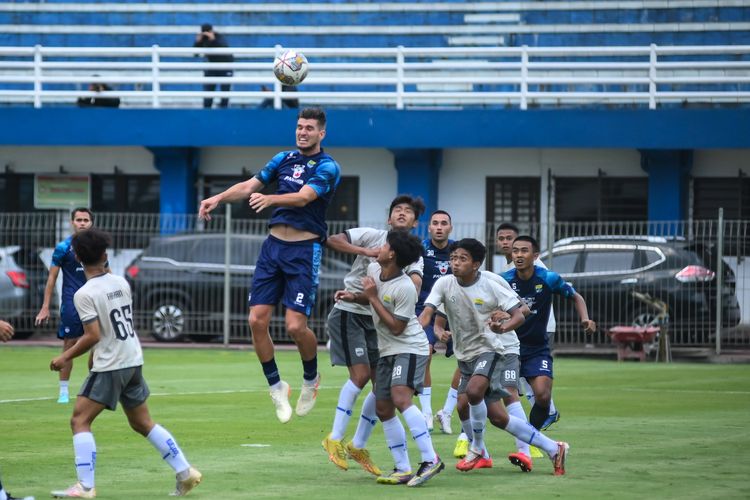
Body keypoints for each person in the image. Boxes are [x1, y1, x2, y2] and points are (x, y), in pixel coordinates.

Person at [198, 108, 340, 424]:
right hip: (272, 248)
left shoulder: (328, 166)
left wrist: (272, 199)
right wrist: (218, 198)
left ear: (322, 134)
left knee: (294, 327)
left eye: (310, 128)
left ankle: (311, 379)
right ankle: (276, 386)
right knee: (256, 320)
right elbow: (250, 186)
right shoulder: (283, 158)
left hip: (304, 250)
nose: (303, 132)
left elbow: (304, 197)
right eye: (300, 127)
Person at [49, 228, 201, 498]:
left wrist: (65, 356)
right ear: (105, 255)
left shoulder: (84, 294)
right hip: (132, 360)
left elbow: (93, 334)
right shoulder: (121, 282)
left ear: (77, 258)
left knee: (79, 420)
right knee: (143, 422)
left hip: (112, 365)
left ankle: (85, 486)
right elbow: (111, 327)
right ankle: (185, 471)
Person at [419, 238, 570, 476]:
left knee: (476, 392)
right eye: (453, 258)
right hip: (466, 353)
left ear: (476, 264)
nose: (455, 263)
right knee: (495, 416)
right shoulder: (444, 283)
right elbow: (430, 313)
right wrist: (434, 331)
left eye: (462, 259)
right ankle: (554, 448)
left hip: (493, 348)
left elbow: (520, 314)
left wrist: (504, 327)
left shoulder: (492, 283)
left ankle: (478, 449)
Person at [321, 195, 424, 476]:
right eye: (397, 210)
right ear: (389, 218)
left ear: (415, 222)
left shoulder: (412, 253)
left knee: (382, 389)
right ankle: (333, 437)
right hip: (350, 311)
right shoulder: (371, 236)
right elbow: (332, 240)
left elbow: (413, 284)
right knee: (361, 375)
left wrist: (394, 276)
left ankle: (358, 445)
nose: (402, 213)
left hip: (378, 321)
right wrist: (368, 252)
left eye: (408, 212)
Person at [336, 230, 444, 487]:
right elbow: (372, 297)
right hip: (387, 350)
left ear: (392, 253)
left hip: (410, 348)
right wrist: (355, 296)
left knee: (400, 397)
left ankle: (431, 459)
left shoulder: (406, 286)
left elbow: (397, 326)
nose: (380, 248)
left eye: (384, 245)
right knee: (383, 408)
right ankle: (403, 467)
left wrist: (372, 297)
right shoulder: (374, 270)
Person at [502, 236, 596, 433]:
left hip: (537, 348)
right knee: (501, 393)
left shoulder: (548, 278)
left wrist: (585, 318)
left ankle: (532, 435)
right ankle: (476, 442)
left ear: (535, 255)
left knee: (543, 396)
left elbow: (575, 296)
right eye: (515, 251)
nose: (519, 255)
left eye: (524, 251)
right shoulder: (504, 280)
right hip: (509, 348)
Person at [496, 222, 562, 430]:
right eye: (502, 239)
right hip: (514, 336)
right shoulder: (505, 273)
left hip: (539, 331)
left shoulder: (539, 271)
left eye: (511, 239)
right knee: (517, 383)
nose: (506, 243)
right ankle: (544, 415)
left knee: (532, 381)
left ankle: (544, 413)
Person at [35, 208, 96, 404]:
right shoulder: (63, 247)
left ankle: (94, 388)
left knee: (98, 345)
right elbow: (51, 277)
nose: (82, 223)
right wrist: (45, 306)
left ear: (91, 223)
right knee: (69, 344)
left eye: (86, 220)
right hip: (72, 302)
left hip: (95, 301)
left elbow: (107, 272)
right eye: (78, 220)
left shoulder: (97, 247)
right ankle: (63, 392)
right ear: (72, 223)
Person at [414, 210, 455, 433]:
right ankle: (426, 413)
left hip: (455, 311)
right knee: (425, 353)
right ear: (429, 228)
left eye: (444, 223)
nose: (439, 227)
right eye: (435, 223)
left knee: (467, 360)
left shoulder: (459, 250)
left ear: (450, 228)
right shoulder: (419, 249)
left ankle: (446, 412)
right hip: (425, 310)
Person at [193, 23, 234, 108]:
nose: (206, 34)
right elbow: (195, 54)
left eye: (207, 32)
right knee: (208, 92)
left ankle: (224, 109)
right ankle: (207, 110)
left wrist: (213, 39)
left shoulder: (219, 37)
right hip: (211, 68)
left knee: (225, 92)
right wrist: (197, 42)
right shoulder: (203, 39)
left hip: (225, 67)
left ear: (212, 31)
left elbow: (223, 47)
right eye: (204, 32)